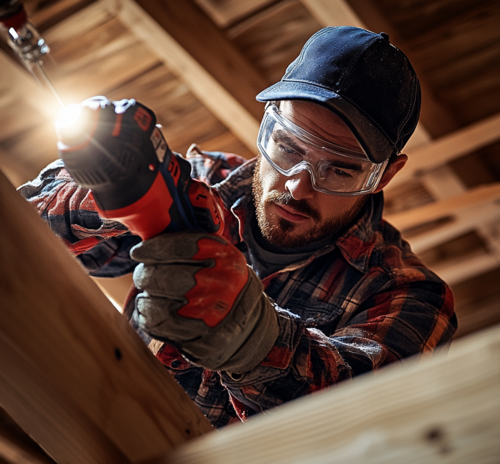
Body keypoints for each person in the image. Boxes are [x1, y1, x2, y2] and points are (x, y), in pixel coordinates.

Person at [19, 26, 457, 428]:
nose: (297, 185)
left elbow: (367, 417)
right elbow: (23, 231)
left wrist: (253, 338)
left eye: (340, 171)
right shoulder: (198, 181)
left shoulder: (409, 292)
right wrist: (115, 198)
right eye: (286, 146)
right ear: (265, 122)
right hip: (98, 430)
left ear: (386, 174)